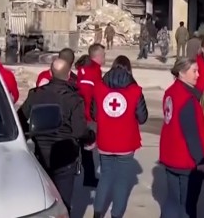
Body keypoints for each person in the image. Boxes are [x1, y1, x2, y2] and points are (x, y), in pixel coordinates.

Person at [18, 58, 94, 213]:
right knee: (63, 203)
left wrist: (29, 137)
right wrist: (91, 136)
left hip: (41, 154)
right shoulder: (73, 99)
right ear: (69, 75)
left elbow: (20, 119)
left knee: (43, 202)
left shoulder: (36, 94)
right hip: (65, 157)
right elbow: (79, 131)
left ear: (50, 73)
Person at [91, 56, 148, 218]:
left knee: (105, 177)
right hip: (126, 143)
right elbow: (142, 118)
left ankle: (97, 213)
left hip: (105, 141)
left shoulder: (99, 88)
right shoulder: (135, 91)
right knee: (122, 181)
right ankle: (116, 214)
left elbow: (94, 115)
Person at [160, 58, 204, 217]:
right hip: (185, 160)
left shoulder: (171, 91)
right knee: (187, 205)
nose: (198, 75)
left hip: (170, 155)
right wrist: (200, 161)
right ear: (182, 73)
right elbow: (191, 134)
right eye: (194, 71)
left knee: (172, 200)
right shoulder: (187, 98)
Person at [77, 44, 105, 188]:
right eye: (103, 55)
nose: (105, 58)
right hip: (88, 115)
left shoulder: (89, 69)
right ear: (97, 56)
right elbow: (87, 94)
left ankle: (88, 175)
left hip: (86, 113)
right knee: (87, 147)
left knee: (86, 147)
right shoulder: (91, 71)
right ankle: (88, 177)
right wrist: (92, 115)